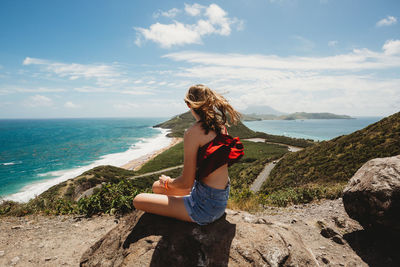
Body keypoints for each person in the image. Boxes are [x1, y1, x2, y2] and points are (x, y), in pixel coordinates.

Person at [133, 84, 244, 225]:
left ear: (188, 105)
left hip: (204, 208)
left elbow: (186, 184)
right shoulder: (220, 127)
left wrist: (167, 181)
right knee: (156, 187)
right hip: (218, 198)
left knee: (138, 200)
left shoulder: (192, 133)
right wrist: (167, 184)